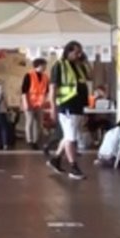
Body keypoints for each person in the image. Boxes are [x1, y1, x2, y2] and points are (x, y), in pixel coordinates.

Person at [46, 41, 88, 180]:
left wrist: (85, 61)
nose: (79, 55)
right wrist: (53, 108)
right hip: (67, 105)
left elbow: (90, 76)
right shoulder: (59, 66)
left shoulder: (79, 65)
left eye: (80, 52)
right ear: (68, 51)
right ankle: (73, 167)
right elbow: (52, 89)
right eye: (76, 52)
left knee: (69, 135)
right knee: (71, 138)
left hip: (78, 106)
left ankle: (56, 159)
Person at [21, 58, 49, 149]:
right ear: (39, 65)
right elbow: (24, 91)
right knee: (30, 122)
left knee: (39, 124)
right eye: (44, 65)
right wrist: (26, 103)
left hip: (40, 104)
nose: (45, 67)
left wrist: (44, 101)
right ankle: (30, 141)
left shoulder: (45, 77)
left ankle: (36, 141)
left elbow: (46, 91)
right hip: (29, 102)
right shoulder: (29, 75)